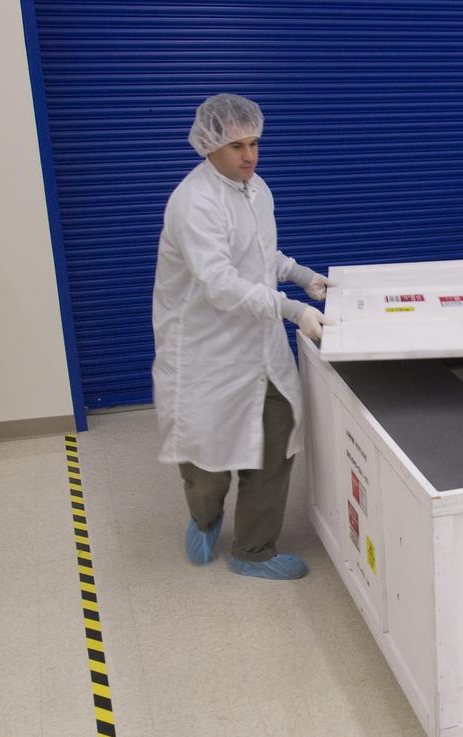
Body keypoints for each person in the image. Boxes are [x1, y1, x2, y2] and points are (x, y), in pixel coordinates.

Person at [152, 93, 335, 580]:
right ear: (209, 144)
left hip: (258, 343)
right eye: (237, 146)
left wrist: (298, 274)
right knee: (207, 460)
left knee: (276, 437)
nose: (249, 155)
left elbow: (257, 253)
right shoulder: (194, 203)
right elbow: (219, 283)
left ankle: (253, 549)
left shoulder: (256, 189)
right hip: (206, 351)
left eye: (254, 143)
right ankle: (204, 516)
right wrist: (292, 309)